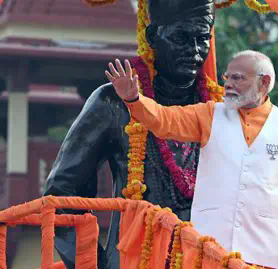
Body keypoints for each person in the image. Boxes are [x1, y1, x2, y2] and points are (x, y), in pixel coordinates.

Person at [106, 50, 278, 269]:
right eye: (227, 77)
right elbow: (164, 120)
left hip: (268, 256)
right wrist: (133, 99)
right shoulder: (210, 114)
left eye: (237, 77)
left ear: (264, 82)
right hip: (209, 255)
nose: (228, 84)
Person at [43, 0, 219, 268]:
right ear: (152, 37)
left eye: (202, 38)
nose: (194, 51)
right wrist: (92, 263)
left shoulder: (224, 110)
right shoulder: (113, 103)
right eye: (181, 38)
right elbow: (63, 193)